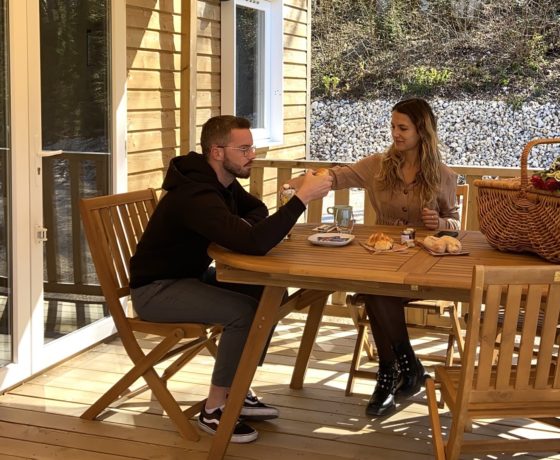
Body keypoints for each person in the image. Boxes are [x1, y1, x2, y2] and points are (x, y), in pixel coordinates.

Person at [129, 115, 333, 443]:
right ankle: (214, 410)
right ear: (218, 152)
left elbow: (257, 214)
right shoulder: (195, 193)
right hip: (156, 290)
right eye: (244, 148)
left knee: (269, 291)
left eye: (251, 146)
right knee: (242, 312)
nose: (252, 153)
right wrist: (301, 199)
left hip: (188, 278)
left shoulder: (222, 183)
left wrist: (234, 228)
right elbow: (254, 241)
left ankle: (237, 390)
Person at [292, 98, 460, 416]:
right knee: (376, 289)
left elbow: (455, 224)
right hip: (382, 260)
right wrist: (301, 183)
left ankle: (391, 375)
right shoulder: (377, 166)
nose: (395, 133)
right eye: (393, 126)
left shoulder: (443, 175)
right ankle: (404, 368)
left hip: (423, 268)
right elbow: (337, 177)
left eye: (403, 127)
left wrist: (439, 224)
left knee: (375, 294)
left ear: (421, 131)